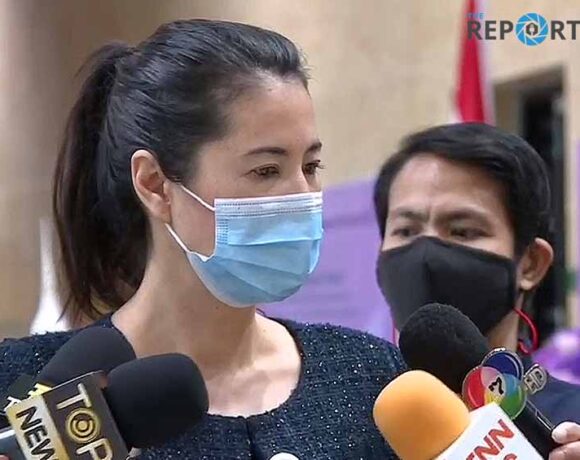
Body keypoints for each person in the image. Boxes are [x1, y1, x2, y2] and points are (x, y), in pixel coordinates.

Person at [0, 20, 405, 459]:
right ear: (155, 184)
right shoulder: (24, 390)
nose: (302, 197)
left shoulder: (370, 375)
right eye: (266, 171)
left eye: (310, 167)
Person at [373, 122, 580, 459]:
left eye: (463, 231)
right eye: (406, 230)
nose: (426, 254)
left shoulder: (571, 426)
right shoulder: (345, 422)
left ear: (531, 264)